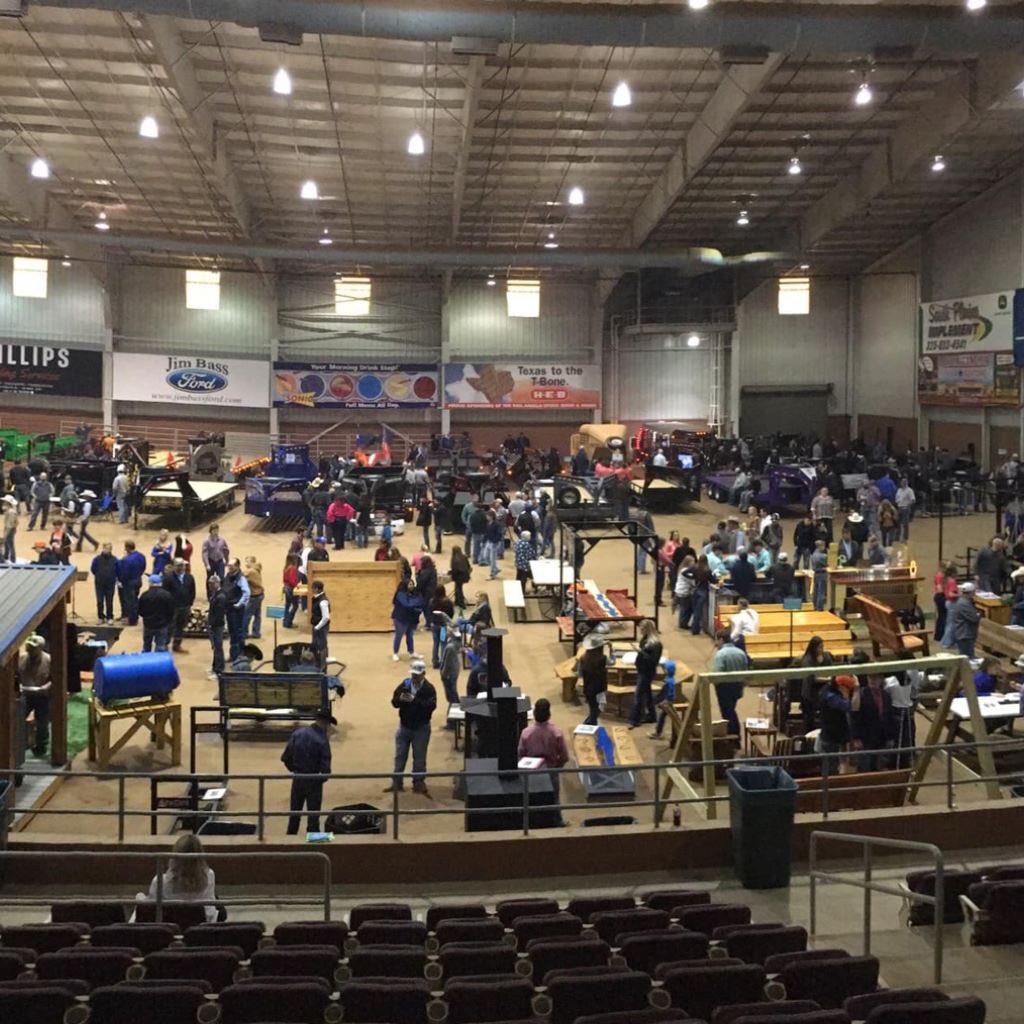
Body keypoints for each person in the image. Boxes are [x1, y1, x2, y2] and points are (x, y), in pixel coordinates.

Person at [386, 658, 437, 796]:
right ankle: (397, 782)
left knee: (419, 758)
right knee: (400, 756)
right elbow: (394, 702)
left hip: (421, 728)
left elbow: (431, 707)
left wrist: (415, 701)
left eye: (417, 674)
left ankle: (418, 782)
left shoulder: (429, 689)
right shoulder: (405, 684)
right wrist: (400, 699)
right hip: (404, 726)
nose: (414, 676)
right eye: (413, 674)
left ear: (423, 674)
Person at [138, 834, 218, 921]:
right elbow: (210, 911)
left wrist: (139, 898)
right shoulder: (210, 875)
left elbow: (149, 911)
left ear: (175, 855)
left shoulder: (160, 881)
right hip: (201, 926)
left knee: (140, 899)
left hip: (171, 926)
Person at [281, 709, 333, 835]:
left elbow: (285, 757)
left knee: (294, 814)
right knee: (313, 817)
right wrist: (321, 779)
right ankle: (313, 841)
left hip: (298, 777)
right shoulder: (322, 740)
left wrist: (295, 769)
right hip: (314, 779)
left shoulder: (298, 733)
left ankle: (290, 840)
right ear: (326, 723)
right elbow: (326, 769)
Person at [518, 698, 569, 815]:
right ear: (549, 714)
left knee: (532, 799)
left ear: (534, 713)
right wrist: (556, 768)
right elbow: (564, 756)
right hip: (551, 770)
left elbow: (520, 753)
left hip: (531, 772)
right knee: (554, 799)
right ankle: (557, 820)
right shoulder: (556, 733)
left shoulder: (526, 732)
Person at [818, 674, 860, 776]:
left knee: (838, 767)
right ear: (841, 687)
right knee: (831, 771)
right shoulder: (830, 696)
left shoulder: (829, 689)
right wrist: (855, 691)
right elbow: (852, 706)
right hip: (830, 739)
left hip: (838, 737)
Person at [17, 634, 51, 757]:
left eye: (33, 647)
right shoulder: (21, 658)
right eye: (29, 646)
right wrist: (19, 686)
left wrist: (46, 687)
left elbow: (55, 678)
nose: (30, 649)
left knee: (42, 722)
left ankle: (41, 745)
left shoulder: (49, 660)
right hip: (25, 695)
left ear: (40, 648)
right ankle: (21, 743)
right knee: (18, 718)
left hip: (42, 696)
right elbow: (15, 676)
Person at [854, 673, 895, 772]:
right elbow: (854, 717)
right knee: (864, 768)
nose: (873, 680)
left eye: (876, 678)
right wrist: (856, 738)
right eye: (870, 677)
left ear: (881, 679)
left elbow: (889, 716)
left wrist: (891, 736)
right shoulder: (861, 694)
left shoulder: (886, 696)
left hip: (881, 737)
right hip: (865, 738)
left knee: (879, 766)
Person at [628, 619, 663, 729]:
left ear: (647, 629)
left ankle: (635, 720)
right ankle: (652, 716)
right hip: (642, 669)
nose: (640, 630)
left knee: (638, 695)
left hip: (647, 672)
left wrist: (641, 652)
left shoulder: (656, 644)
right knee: (647, 694)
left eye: (642, 629)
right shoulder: (644, 640)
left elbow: (653, 661)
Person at [711, 630, 747, 735]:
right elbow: (745, 671)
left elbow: (717, 674)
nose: (715, 644)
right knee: (731, 709)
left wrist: (715, 685)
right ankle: (734, 734)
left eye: (716, 640)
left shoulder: (721, 654)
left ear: (721, 640)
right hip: (738, 686)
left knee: (727, 712)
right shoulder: (741, 653)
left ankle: (733, 735)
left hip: (724, 687)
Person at [797, 635, 834, 734]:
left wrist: (829, 678)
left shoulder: (826, 657)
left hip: (823, 691)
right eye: (819, 647)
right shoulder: (807, 660)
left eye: (822, 647)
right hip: (809, 693)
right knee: (809, 719)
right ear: (813, 647)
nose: (821, 649)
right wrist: (827, 679)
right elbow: (811, 679)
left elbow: (832, 670)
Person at [163, 557, 196, 653]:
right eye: (178, 566)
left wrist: (189, 603)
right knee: (170, 626)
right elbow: (165, 593)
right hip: (172, 607)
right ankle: (164, 645)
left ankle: (177, 644)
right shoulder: (168, 578)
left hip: (185, 606)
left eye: (182, 565)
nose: (181, 567)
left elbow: (192, 591)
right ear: (173, 566)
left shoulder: (189, 577)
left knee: (181, 626)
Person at [222, 558, 251, 663]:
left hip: (236, 610)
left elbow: (247, 593)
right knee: (232, 632)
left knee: (237, 633)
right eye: (228, 565)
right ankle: (234, 655)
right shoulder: (227, 576)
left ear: (237, 566)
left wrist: (239, 604)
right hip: (228, 608)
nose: (229, 567)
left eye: (231, 566)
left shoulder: (241, 578)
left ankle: (238, 656)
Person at [139, 574, 175, 653]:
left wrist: (146, 618)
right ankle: (158, 659)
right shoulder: (167, 595)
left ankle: (146, 658)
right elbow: (171, 611)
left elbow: (140, 610)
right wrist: (167, 621)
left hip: (148, 624)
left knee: (146, 646)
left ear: (150, 583)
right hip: (162, 625)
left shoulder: (145, 595)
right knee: (160, 646)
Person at [578, 632, 608, 726]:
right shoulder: (603, 659)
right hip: (600, 689)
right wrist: (611, 649)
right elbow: (612, 661)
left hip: (588, 688)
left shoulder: (583, 658)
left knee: (593, 709)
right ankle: (586, 725)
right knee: (597, 711)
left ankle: (590, 725)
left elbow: (580, 674)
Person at [391, 580, 424, 662]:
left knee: (410, 635)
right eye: (410, 584)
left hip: (410, 618)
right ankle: (395, 653)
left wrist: (414, 602)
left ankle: (411, 652)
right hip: (400, 618)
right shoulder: (400, 594)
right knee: (399, 636)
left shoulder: (415, 593)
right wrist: (415, 602)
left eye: (412, 584)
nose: (412, 586)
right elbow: (407, 604)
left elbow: (421, 601)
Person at [117, 540, 146, 625]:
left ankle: (132, 619)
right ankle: (134, 617)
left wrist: (122, 581)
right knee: (135, 599)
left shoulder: (127, 559)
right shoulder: (141, 556)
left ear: (127, 548)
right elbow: (143, 567)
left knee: (130, 601)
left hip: (129, 582)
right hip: (138, 580)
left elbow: (124, 572)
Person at [950, 582, 980, 658]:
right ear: (971, 592)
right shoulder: (964, 603)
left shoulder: (964, 601)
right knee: (967, 657)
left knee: (966, 656)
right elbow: (974, 618)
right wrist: (978, 614)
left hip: (965, 634)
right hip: (964, 635)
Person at [206, 574, 226, 679]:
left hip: (217, 626)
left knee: (218, 648)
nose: (210, 586)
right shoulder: (216, 594)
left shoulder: (220, 597)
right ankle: (215, 668)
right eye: (209, 584)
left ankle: (219, 671)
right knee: (216, 648)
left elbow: (218, 614)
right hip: (214, 624)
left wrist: (211, 624)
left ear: (217, 584)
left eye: (211, 584)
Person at [933, 561, 958, 642]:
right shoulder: (941, 576)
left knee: (942, 617)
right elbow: (940, 589)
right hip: (941, 597)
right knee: (943, 617)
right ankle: (941, 636)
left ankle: (939, 636)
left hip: (940, 596)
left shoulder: (940, 575)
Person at [438, 625, 462, 710]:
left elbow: (447, 664)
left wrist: (443, 674)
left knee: (451, 693)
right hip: (454, 670)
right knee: (452, 691)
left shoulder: (450, 647)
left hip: (449, 673)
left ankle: (455, 708)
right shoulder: (455, 642)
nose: (447, 632)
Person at [309, 579, 331, 667]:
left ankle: (322, 666)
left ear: (317, 589)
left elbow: (326, 617)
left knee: (322, 646)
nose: (312, 590)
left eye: (313, 588)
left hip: (321, 627)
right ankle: (316, 663)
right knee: (315, 645)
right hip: (317, 626)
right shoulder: (317, 598)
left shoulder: (322, 602)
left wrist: (317, 627)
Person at [242, 556, 264, 640]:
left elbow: (240, 575)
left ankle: (244, 633)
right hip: (259, 594)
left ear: (252, 562)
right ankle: (256, 632)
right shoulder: (257, 569)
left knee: (246, 615)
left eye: (247, 562)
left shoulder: (250, 571)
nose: (246, 564)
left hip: (253, 596)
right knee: (257, 615)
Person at [449, 545, 472, 612]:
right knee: (458, 587)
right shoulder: (464, 557)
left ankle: (461, 603)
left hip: (459, 577)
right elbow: (469, 566)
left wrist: (451, 575)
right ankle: (457, 601)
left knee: (458, 588)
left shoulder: (454, 559)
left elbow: (455, 570)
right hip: (466, 575)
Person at [283, 554, 301, 629]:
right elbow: (292, 581)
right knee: (294, 606)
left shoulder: (286, 568)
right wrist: (297, 585)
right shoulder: (292, 569)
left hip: (286, 588)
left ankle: (285, 621)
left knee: (287, 606)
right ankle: (288, 622)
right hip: (291, 589)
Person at [810, 539, 828, 612]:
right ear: (820, 546)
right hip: (822, 574)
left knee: (816, 592)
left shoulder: (813, 555)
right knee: (821, 592)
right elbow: (828, 564)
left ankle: (814, 606)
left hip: (816, 574)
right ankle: (819, 608)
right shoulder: (823, 556)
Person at [3, 493, 18, 562]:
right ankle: (6, 556)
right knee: (7, 543)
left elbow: (10, 524)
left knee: (10, 544)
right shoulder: (9, 510)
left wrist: (6, 533)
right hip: (9, 528)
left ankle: (12, 559)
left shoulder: (11, 512)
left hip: (10, 529)